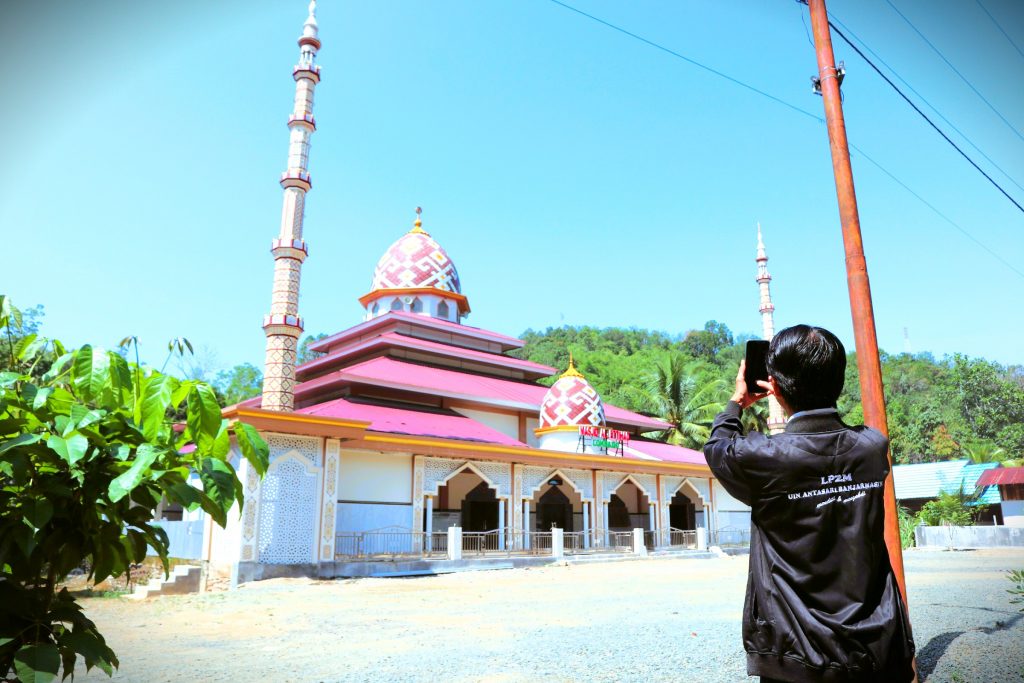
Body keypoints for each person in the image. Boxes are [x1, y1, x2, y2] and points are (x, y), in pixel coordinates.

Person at [703, 325, 915, 683]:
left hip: (796, 654)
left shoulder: (765, 457)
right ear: (839, 380)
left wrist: (737, 402)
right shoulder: (872, 447)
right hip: (877, 647)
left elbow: (717, 447)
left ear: (776, 387)